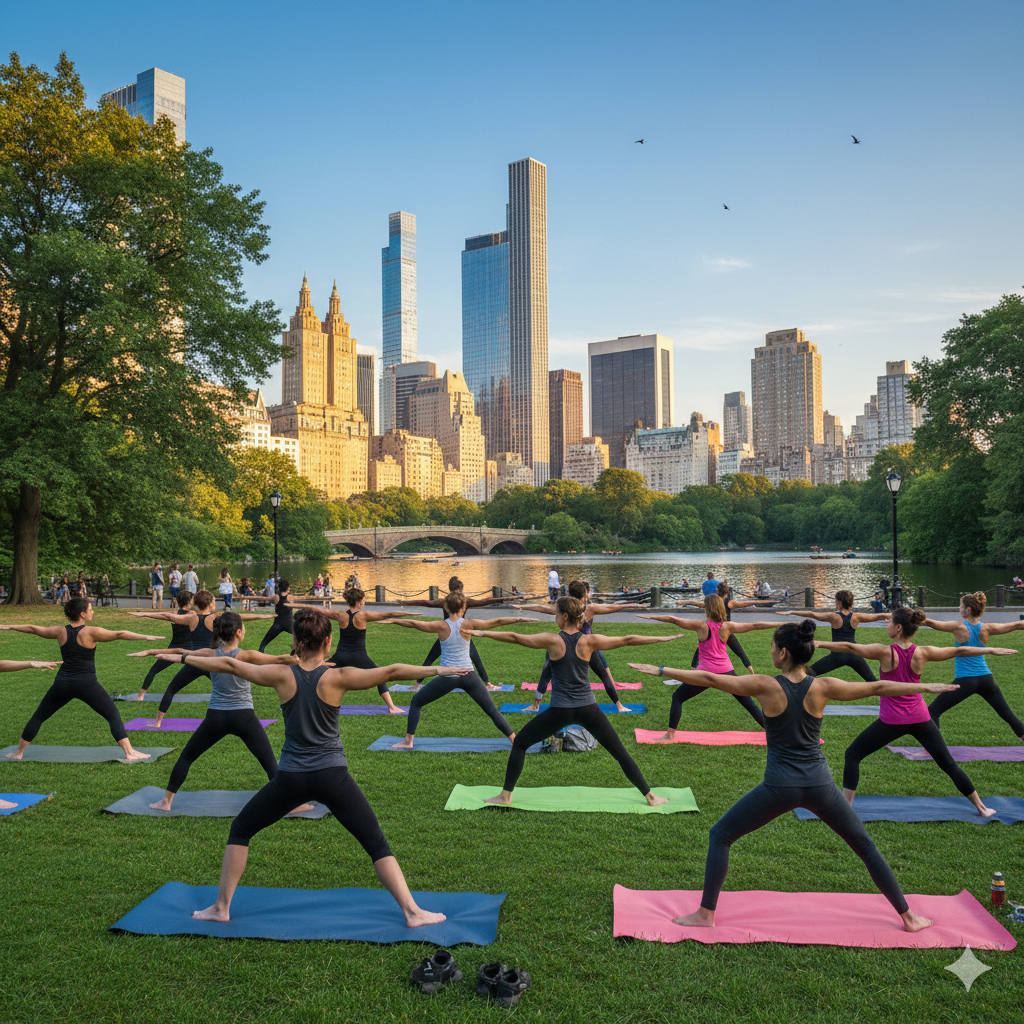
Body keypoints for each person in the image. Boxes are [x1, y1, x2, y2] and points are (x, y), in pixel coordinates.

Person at [626, 619, 952, 933]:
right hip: (821, 786)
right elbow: (877, 687)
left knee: (721, 835)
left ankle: (705, 914)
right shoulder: (823, 686)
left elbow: (710, 678)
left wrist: (662, 670)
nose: (770, 650)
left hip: (779, 787)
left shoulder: (766, 685)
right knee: (865, 846)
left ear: (783, 653)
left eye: (772, 646)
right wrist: (924, 686)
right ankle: (909, 918)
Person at [176, 608, 461, 927]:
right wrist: (441, 669)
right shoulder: (338, 677)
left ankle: (221, 908)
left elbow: (229, 664)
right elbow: (392, 671)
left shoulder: (281, 674)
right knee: (376, 843)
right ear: (328, 642)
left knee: (241, 830)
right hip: (333, 777)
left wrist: (183, 657)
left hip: (291, 779)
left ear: (296, 641)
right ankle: (412, 912)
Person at [467, 596, 684, 807]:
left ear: (564, 616)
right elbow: (627, 639)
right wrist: (661, 638)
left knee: (521, 743)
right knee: (619, 752)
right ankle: (650, 796)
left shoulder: (553, 640)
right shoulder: (589, 641)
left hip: (560, 711)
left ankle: (505, 796)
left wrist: (484, 633)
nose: (554, 617)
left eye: (555, 614)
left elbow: (515, 637)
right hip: (588, 709)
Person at [815, 607, 1018, 817]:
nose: (886, 623)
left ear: (899, 628)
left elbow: (849, 647)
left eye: (889, 621)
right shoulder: (923, 652)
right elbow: (959, 651)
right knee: (947, 763)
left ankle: (846, 809)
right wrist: (990, 650)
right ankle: (981, 807)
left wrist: (819, 643)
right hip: (921, 718)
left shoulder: (884, 652)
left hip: (892, 721)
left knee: (853, 754)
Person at [127, 612, 313, 813]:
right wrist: (305, 652)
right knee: (269, 762)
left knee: (187, 757)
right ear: (239, 633)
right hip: (244, 717)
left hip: (216, 717)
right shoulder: (247, 655)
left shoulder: (210, 653)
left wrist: (152, 651)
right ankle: (289, 804)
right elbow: (282, 659)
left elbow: (180, 651)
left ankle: (166, 802)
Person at [0, 597, 161, 762]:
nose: (93, 612)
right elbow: (119, 634)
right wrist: (145, 637)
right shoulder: (90, 632)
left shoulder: (60, 631)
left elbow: (33, 629)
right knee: (112, 714)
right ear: (82, 614)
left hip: (62, 683)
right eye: (90, 609)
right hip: (86, 684)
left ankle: (18, 753)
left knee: (39, 716)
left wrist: (8, 626)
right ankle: (129, 752)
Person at [383, 593, 532, 749]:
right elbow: (497, 621)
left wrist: (393, 620)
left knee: (416, 702)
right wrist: (519, 618)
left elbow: (414, 624)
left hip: (448, 677)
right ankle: (515, 740)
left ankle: (408, 741)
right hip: (469, 676)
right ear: (463, 607)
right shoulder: (469, 624)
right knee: (492, 710)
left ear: (446, 607)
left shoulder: (441, 626)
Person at [639, 596, 780, 739]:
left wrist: (651, 616)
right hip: (726, 671)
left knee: (678, 697)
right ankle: (775, 734)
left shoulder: (701, 626)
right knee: (748, 703)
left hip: (704, 674)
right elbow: (755, 625)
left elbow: (673, 619)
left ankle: (670, 736)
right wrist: (782, 623)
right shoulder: (727, 626)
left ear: (707, 609)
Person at [516, 581, 646, 713]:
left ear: (569, 594)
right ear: (584, 595)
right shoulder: (589, 608)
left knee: (546, 672)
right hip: (586, 647)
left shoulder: (564, 608)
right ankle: (619, 706)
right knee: (603, 675)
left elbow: (542, 608)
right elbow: (611, 607)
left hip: (564, 645)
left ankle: (536, 705)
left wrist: (522, 606)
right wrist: (632, 604)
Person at [923, 592, 1024, 740]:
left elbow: (929, 623)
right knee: (1008, 715)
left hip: (965, 681)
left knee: (933, 711)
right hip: (986, 679)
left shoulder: (958, 627)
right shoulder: (987, 628)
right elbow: (1018, 624)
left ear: (968, 610)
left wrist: (903, 617)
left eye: (960, 606)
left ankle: (933, 749)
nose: (959, 609)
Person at [318, 587, 419, 714]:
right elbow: (388, 614)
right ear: (359, 601)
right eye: (364, 600)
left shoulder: (340, 615)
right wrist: (409, 613)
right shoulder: (363, 615)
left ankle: (306, 700)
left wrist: (297, 605)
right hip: (359, 657)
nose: (364, 602)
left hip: (341, 656)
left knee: (318, 672)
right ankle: (392, 707)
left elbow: (319, 610)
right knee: (380, 677)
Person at [403, 578, 507, 687]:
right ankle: (487, 683)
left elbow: (425, 602)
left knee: (432, 658)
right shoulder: (462, 601)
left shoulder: (448, 601)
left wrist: (500, 599)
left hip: (450, 634)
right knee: (473, 659)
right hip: (458, 634)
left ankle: (416, 684)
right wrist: (499, 599)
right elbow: (483, 602)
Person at [778, 591, 889, 682]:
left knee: (808, 673)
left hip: (838, 655)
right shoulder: (857, 617)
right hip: (854, 653)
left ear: (839, 602)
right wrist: (893, 615)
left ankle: (789, 689)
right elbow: (878, 616)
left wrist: (791, 611)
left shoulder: (834, 616)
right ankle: (893, 694)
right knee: (873, 681)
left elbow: (812, 614)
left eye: (836, 601)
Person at [132, 590, 196, 699]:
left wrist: (145, 614)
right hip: (189, 649)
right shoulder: (192, 615)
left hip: (174, 648)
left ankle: (141, 696)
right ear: (189, 601)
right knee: (209, 669)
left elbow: (162, 615)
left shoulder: (174, 614)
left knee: (154, 670)